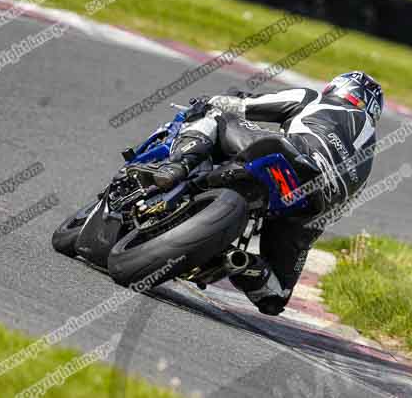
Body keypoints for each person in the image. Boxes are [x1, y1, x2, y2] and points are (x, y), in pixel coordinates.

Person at [128, 71, 383, 315]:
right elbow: (338, 212)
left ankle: (179, 164)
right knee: (276, 296)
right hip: (309, 208)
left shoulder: (314, 99)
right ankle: (246, 265)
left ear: (336, 88)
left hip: (287, 155)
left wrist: (211, 100)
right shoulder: (369, 158)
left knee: (215, 114)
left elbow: (244, 105)